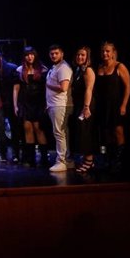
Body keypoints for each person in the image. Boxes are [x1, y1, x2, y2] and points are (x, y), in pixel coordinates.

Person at [95, 41, 130, 170]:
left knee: (118, 131)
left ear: (113, 53)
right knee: (106, 132)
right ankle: (109, 158)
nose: (105, 53)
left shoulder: (119, 67)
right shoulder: (99, 67)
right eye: (103, 51)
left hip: (116, 104)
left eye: (107, 51)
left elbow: (128, 87)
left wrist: (124, 105)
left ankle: (119, 159)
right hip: (102, 105)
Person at [13, 46, 50, 166]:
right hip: (25, 103)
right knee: (27, 129)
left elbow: (47, 89)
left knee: (38, 129)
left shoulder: (43, 69)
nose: (30, 57)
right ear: (24, 57)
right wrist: (15, 105)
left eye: (32, 54)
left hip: (38, 103)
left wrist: (46, 103)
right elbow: (16, 88)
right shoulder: (19, 70)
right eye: (27, 55)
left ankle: (44, 158)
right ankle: (31, 158)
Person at [45, 44, 74, 172]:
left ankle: (61, 161)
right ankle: (67, 160)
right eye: (52, 53)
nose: (54, 55)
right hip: (55, 105)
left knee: (59, 133)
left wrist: (49, 86)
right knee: (62, 133)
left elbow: (64, 87)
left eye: (56, 53)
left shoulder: (63, 67)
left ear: (62, 54)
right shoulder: (55, 67)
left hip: (60, 105)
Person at [69, 46, 98, 173]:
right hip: (80, 104)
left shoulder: (88, 70)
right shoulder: (79, 70)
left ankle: (89, 161)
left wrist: (86, 107)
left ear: (87, 57)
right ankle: (86, 159)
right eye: (78, 55)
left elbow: (89, 89)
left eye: (83, 55)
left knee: (86, 132)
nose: (80, 57)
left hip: (87, 105)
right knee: (81, 132)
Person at [0, 50, 20, 162]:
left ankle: (17, 154)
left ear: (0, 57)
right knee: (0, 129)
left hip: (13, 102)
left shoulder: (11, 67)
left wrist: (16, 104)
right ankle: (3, 154)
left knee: (15, 129)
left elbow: (17, 87)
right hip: (2, 103)